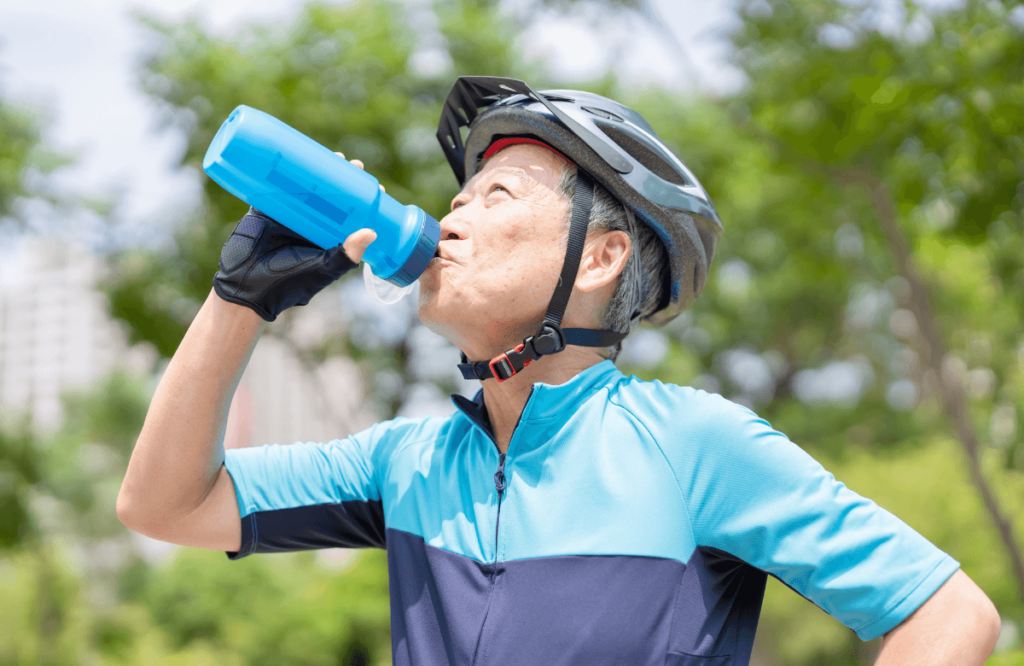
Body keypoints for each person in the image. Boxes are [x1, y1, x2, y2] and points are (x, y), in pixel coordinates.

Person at [117, 76, 1000, 665]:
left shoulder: (693, 444)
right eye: (456, 201)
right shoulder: (406, 462)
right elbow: (164, 504)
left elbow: (951, 613)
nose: (452, 220)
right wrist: (239, 301)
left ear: (600, 259)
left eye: (493, 200)